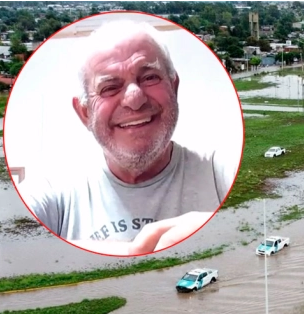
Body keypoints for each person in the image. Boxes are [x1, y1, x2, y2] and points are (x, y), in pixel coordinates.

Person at [17, 19, 237, 255]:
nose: (135, 98)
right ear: (84, 112)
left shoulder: (219, 171)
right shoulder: (54, 192)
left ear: (174, 87)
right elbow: (5, 245)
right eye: (110, 87)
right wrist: (136, 253)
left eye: (149, 77)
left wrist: (227, 230)